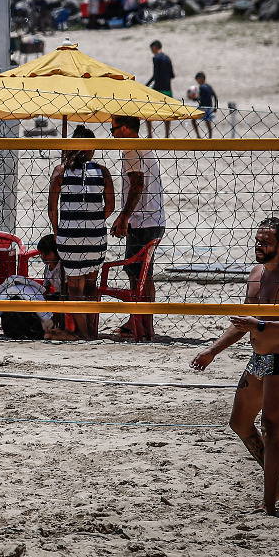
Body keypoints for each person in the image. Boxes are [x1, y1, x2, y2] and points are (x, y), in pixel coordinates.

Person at [190, 217, 279, 516]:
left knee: (272, 429)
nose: (259, 246)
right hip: (258, 358)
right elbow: (244, 324)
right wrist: (212, 351)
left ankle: (269, 503)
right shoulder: (256, 273)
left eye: (266, 242)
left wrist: (260, 324)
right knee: (239, 422)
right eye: (257, 240)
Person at [47, 126, 114, 339]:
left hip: (69, 235)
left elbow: (52, 208)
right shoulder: (102, 172)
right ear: (92, 149)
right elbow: (110, 206)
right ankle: (92, 330)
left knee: (74, 287)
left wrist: (59, 231)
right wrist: (93, 220)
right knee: (91, 285)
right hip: (95, 236)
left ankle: (84, 333)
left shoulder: (60, 171)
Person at [109, 115, 166, 340]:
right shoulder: (144, 148)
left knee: (137, 275)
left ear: (124, 129)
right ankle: (141, 322)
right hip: (153, 218)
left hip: (143, 221)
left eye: (112, 129)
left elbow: (137, 184)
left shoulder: (131, 150)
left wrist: (124, 217)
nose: (111, 134)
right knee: (143, 274)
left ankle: (141, 323)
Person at [144, 41, 176, 137]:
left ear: (155, 47)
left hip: (158, 89)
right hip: (168, 89)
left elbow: (156, 74)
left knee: (147, 110)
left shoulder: (156, 58)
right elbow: (172, 75)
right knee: (168, 112)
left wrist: (146, 85)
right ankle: (167, 135)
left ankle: (150, 134)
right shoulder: (167, 58)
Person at [192, 72, 218, 138]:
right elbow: (215, 96)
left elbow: (201, 98)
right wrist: (215, 107)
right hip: (209, 107)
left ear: (201, 79)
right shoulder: (209, 86)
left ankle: (198, 136)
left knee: (193, 120)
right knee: (208, 123)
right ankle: (210, 137)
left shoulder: (201, 87)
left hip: (203, 107)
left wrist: (194, 99)